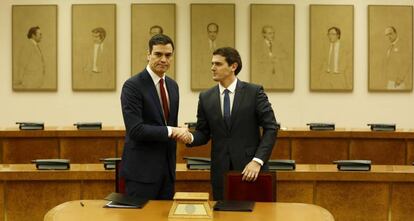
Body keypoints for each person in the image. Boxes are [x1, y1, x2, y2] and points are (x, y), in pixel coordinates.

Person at [185, 47, 278, 200]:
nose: (212, 68)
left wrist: (257, 161)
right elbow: (203, 132)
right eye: (212, 64)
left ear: (233, 66)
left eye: (218, 64)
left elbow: (271, 128)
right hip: (220, 172)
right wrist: (189, 137)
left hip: (251, 169)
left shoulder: (254, 92)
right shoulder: (205, 97)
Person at [120, 34, 188, 200]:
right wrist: (173, 131)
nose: (163, 59)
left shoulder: (173, 86)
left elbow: (167, 123)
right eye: (158, 54)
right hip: (141, 173)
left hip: (167, 171)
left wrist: (179, 130)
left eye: (168, 55)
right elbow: (136, 130)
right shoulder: (132, 85)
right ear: (148, 55)